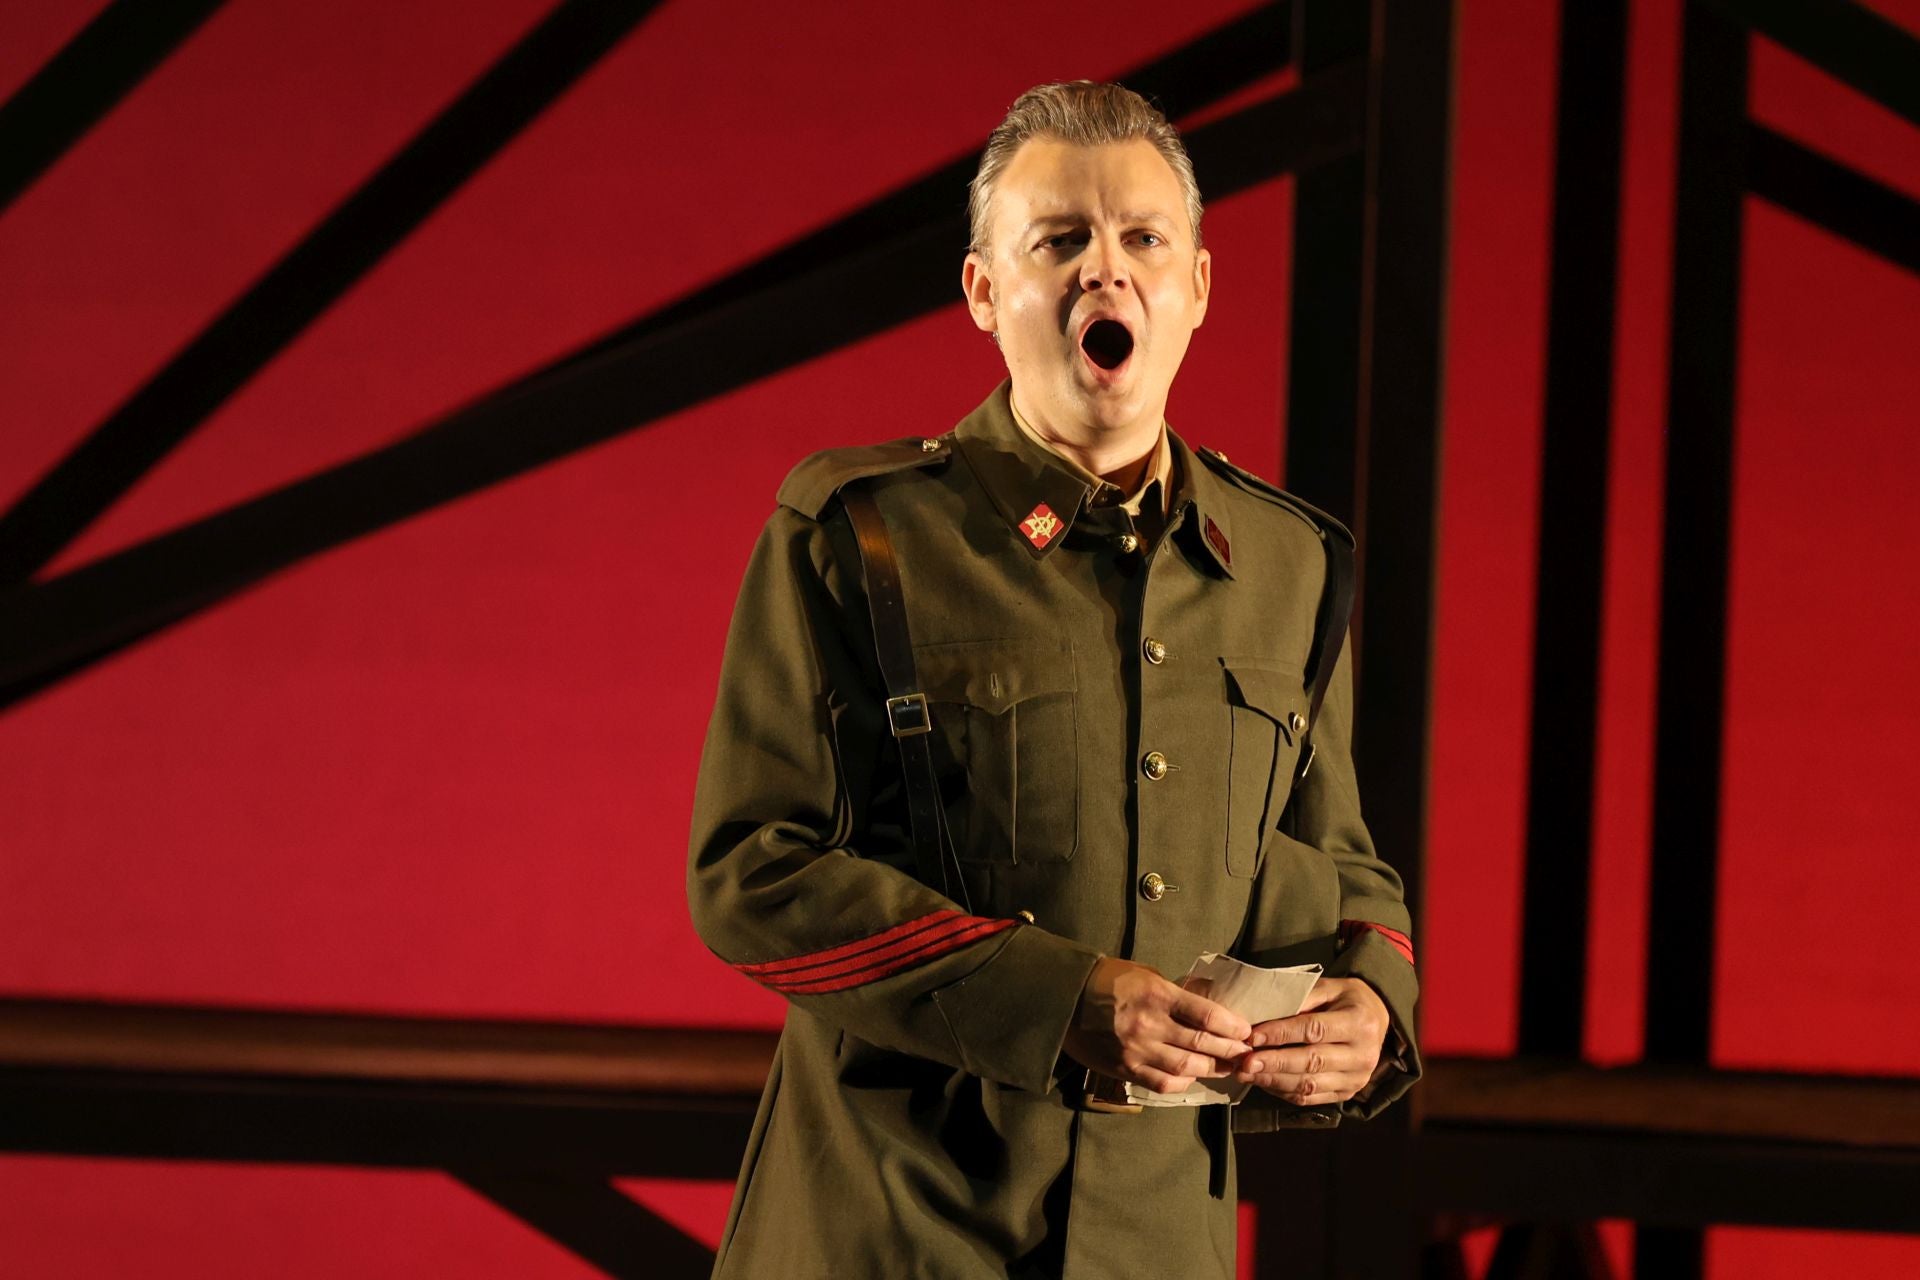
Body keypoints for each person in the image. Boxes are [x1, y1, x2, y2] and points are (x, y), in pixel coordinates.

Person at [687, 80, 1419, 1279]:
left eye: (1142, 239)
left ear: (1196, 288)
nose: (1105, 272)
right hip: (894, 1230)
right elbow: (747, 872)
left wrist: (1374, 1000)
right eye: (1060, 241)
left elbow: (1338, 858)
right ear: (985, 290)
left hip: (1161, 1239)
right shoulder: (859, 536)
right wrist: (1061, 998)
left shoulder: (1289, 564)